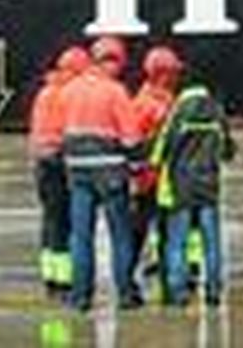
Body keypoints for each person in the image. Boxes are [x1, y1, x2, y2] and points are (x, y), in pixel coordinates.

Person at [59, 35, 143, 312]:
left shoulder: (69, 91)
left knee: (81, 236)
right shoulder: (115, 91)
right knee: (121, 234)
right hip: (111, 172)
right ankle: (127, 294)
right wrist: (137, 168)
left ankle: (80, 296)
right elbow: (131, 139)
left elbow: (61, 131)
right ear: (114, 60)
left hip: (77, 172)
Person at [151, 75, 237, 306]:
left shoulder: (178, 110)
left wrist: (154, 164)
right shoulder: (216, 111)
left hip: (181, 186)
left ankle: (178, 291)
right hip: (209, 186)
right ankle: (213, 290)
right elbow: (228, 150)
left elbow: (162, 146)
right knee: (212, 241)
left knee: (177, 241)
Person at [29, 46, 90, 299]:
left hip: (41, 162)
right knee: (65, 222)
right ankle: (64, 280)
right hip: (61, 161)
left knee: (50, 221)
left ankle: (50, 277)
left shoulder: (45, 92)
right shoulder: (69, 94)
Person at [127, 45, 183, 302]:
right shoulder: (145, 104)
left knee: (164, 233)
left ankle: (167, 282)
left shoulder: (165, 99)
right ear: (160, 73)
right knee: (139, 234)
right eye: (173, 72)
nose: (176, 77)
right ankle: (128, 280)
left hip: (164, 180)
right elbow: (135, 143)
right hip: (149, 181)